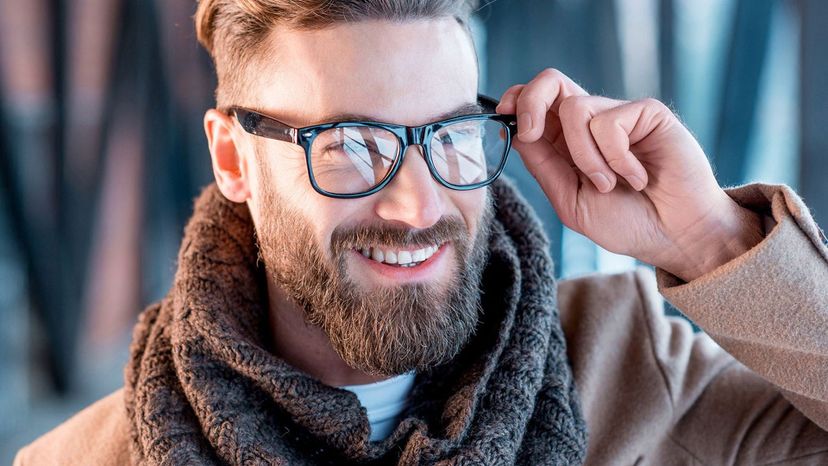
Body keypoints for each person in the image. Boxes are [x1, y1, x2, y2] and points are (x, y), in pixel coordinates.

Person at [14, 0, 828, 464]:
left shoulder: (632, 366)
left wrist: (710, 240)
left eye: (447, 135)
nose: (416, 206)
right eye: (352, 146)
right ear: (232, 159)